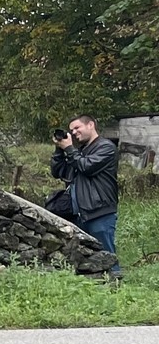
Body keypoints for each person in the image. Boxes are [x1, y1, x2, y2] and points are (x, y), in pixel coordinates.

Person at [52, 116, 123, 278]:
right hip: (79, 213)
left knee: (106, 255)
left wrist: (70, 149)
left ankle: (116, 286)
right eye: (71, 130)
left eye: (77, 128)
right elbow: (58, 172)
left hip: (99, 211)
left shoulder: (106, 147)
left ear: (90, 125)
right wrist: (59, 150)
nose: (74, 132)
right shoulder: (80, 152)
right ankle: (94, 286)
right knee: (84, 258)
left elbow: (87, 167)